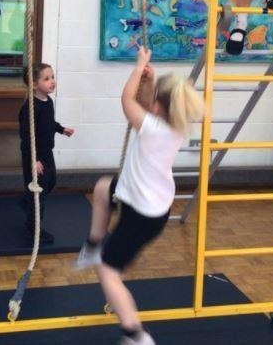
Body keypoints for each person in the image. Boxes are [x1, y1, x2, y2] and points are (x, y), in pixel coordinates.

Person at [75, 47, 204, 345]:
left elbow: (127, 101)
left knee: (109, 272)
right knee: (103, 188)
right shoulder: (170, 127)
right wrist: (150, 79)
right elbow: (144, 104)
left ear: (158, 107)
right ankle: (93, 244)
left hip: (140, 214)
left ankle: (135, 333)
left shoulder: (152, 129)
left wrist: (138, 68)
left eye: (154, 97)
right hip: (146, 200)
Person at [19, 63, 74, 244]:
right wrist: (33, 160)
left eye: (52, 77)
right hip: (34, 156)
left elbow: (49, 123)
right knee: (38, 194)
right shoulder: (30, 108)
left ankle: (27, 200)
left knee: (51, 182)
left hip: (46, 152)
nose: (52, 81)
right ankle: (33, 231)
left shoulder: (47, 101)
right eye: (47, 78)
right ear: (34, 84)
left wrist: (61, 129)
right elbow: (27, 137)